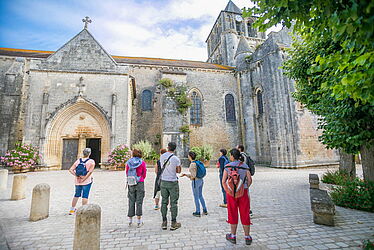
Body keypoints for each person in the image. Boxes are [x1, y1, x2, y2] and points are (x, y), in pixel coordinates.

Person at [222, 148, 253, 245]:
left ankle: (233, 236)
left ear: (232, 156)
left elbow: (223, 181)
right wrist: (244, 187)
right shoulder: (245, 166)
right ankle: (247, 237)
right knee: (245, 213)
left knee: (232, 212)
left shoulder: (227, 166)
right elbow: (250, 180)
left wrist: (229, 191)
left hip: (231, 194)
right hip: (243, 192)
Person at [159, 142, 182, 230]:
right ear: (175, 148)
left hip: (163, 181)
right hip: (172, 181)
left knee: (164, 202)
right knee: (174, 203)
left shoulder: (162, 156)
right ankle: (173, 222)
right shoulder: (176, 159)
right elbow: (178, 171)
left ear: (168, 147)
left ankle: (164, 222)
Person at [68, 148, 95, 215]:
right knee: (85, 195)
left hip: (77, 181)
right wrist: (84, 179)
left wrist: (77, 176)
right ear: (89, 153)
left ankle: (72, 210)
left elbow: (71, 170)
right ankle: (83, 211)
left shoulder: (78, 161)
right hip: (87, 181)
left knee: (76, 195)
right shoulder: (91, 161)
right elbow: (90, 172)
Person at [181, 151, 208, 217]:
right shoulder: (198, 162)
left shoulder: (192, 164)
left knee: (196, 197)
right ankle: (205, 210)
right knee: (200, 195)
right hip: (201, 180)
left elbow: (193, 176)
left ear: (190, 156)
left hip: (196, 181)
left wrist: (187, 176)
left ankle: (198, 211)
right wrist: (186, 174)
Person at [125, 149, 147, 227]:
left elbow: (127, 172)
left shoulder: (129, 162)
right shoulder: (142, 162)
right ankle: (139, 221)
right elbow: (144, 173)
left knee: (131, 200)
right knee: (139, 201)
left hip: (131, 182)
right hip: (139, 182)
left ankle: (130, 220)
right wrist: (140, 178)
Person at [237, 144, 254, 217]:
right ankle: (246, 209)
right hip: (245, 177)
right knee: (246, 193)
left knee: (245, 194)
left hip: (243, 177)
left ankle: (247, 210)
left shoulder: (242, 156)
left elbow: (243, 166)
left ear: (240, 149)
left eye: (237, 147)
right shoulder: (245, 155)